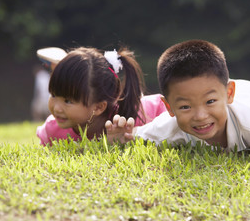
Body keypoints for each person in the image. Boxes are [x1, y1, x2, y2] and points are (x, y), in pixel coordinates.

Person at [106, 39, 250, 168]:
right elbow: (134, 137)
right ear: (169, 107)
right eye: (185, 107)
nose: (200, 115)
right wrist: (119, 137)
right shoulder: (169, 126)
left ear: (229, 93)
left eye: (210, 102)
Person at [37, 46, 166, 146]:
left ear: (99, 107)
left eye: (68, 101)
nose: (57, 108)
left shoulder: (136, 117)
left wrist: (134, 134)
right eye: (53, 95)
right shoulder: (53, 130)